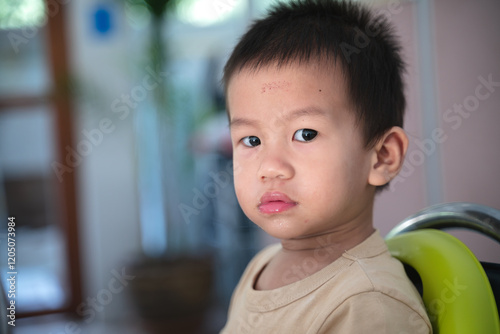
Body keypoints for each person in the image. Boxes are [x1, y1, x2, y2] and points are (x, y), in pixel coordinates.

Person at [220, 0, 432, 332]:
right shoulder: (260, 268)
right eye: (251, 140)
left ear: (382, 157)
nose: (270, 167)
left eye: (304, 134)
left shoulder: (366, 304)